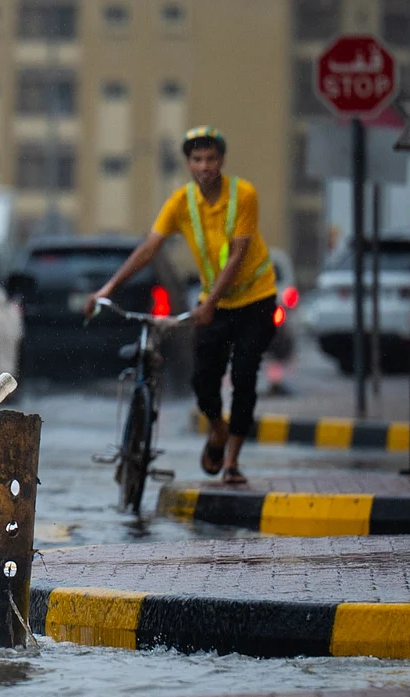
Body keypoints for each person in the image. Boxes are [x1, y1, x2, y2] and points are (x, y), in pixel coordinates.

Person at [84, 126, 277, 485]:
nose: (205, 166)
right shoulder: (181, 202)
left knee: (244, 375)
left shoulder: (243, 195)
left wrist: (209, 304)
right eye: (197, 159)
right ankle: (218, 430)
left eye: (211, 159)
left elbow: (238, 256)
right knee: (203, 380)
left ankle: (232, 461)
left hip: (256, 300)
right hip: (213, 303)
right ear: (188, 163)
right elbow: (149, 248)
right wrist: (107, 288)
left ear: (222, 161)